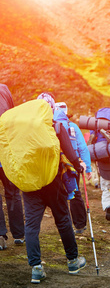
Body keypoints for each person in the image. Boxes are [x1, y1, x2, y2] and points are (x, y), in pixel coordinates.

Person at [21, 94, 86, 283]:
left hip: (30, 182)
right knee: (63, 219)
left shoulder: (24, 130)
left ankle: (36, 267)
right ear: (51, 109)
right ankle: (73, 261)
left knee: (31, 225)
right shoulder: (56, 127)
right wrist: (78, 165)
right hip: (52, 182)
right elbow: (69, 151)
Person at [53, 106, 92, 234]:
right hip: (73, 164)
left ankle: (65, 224)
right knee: (75, 192)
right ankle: (80, 225)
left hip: (56, 165)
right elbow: (83, 148)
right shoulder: (73, 127)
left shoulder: (49, 126)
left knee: (59, 195)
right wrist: (88, 168)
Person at [0, 84, 25, 250]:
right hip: (8, 151)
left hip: (7, 151)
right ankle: (19, 234)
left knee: (12, 193)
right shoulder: (4, 89)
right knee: (13, 192)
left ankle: (1, 235)